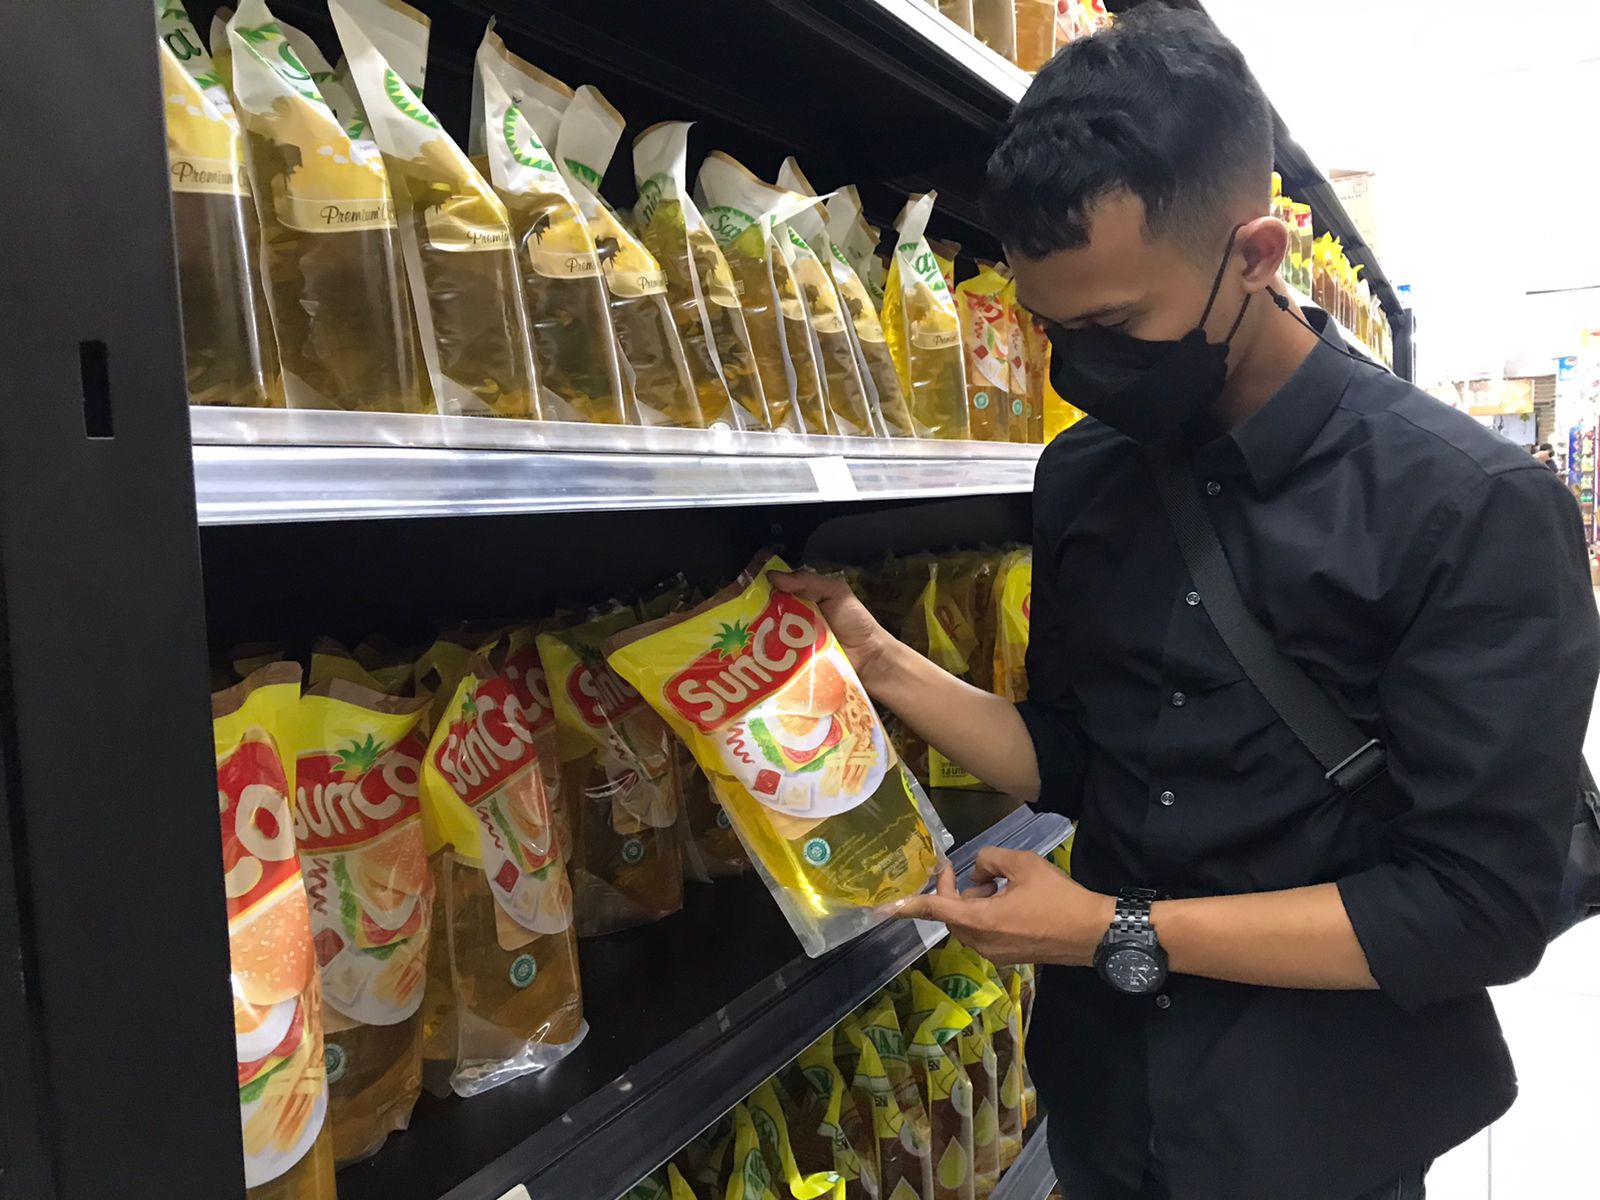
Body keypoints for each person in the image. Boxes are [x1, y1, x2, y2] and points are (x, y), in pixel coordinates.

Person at [774, 7, 1599, 1200]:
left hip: (1321, 1124)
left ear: (1256, 256)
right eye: (1051, 329)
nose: (1080, 370)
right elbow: (1081, 757)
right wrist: (878, 659)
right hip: (1106, 1100)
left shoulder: (1471, 506)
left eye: (1114, 327)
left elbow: (1477, 907)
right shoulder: (1084, 475)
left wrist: (1110, 929)